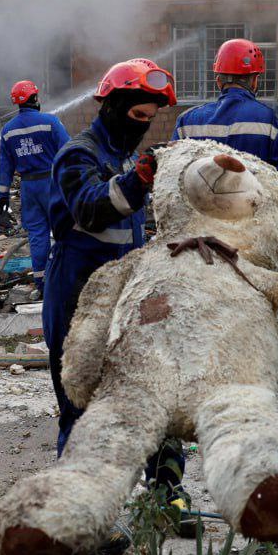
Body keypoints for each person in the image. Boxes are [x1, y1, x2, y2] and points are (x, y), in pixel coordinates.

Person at [43, 58, 192, 524]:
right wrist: (136, 180)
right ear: (112, 106)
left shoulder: (126, 159)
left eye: (150, 120)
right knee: (82, 407)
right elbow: (90, 210)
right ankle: (81, 514)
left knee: (157, 398)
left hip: (128, 298)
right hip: (78, 298)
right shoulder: (78, 155)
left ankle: (167, 495)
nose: (142, 128)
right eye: (137, 117)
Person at [173, 38, 278, 183]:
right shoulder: (274, 118)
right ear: (255, 80)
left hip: (199, 204)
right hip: (252, 204)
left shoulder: (186, 121)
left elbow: (173, 175)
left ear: (219, 81)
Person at [0, 80, 70, 292]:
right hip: (52, 184)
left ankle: (41, 282)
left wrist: (2, 195)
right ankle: (63, 278)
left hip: (28, 188)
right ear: (34, 98)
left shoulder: (8, 130)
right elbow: (68, 152)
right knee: (63, 230)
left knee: (37, 235)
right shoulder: (50, 122)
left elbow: (5, 165)